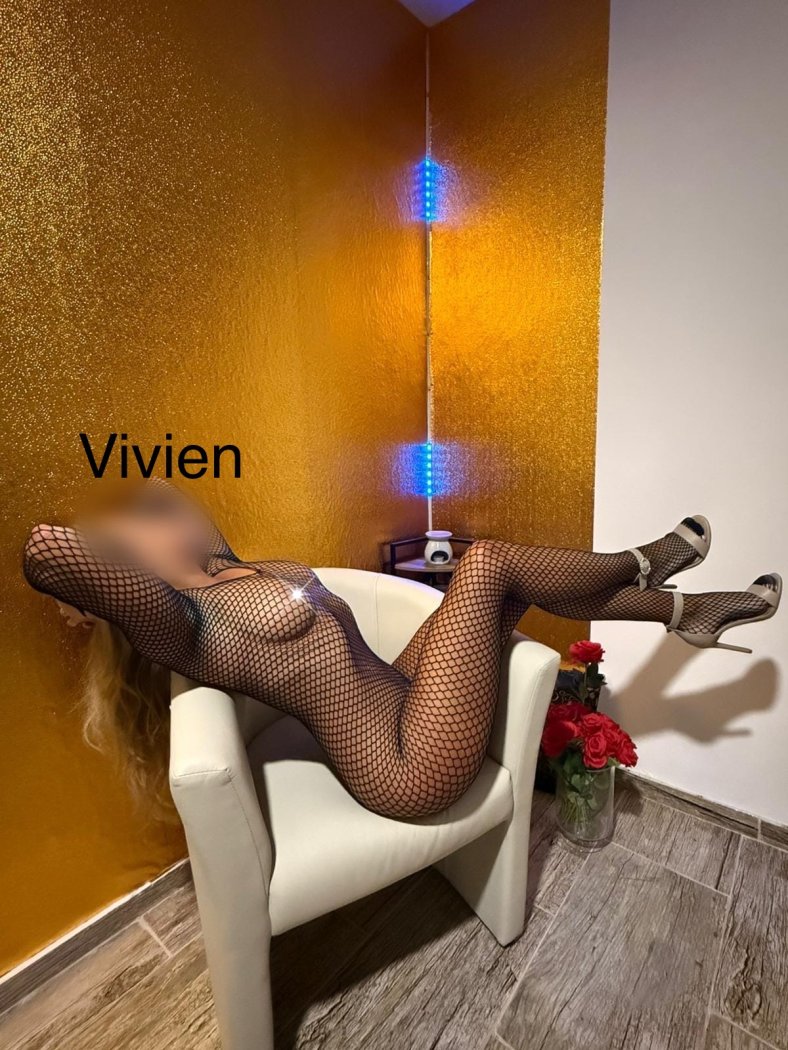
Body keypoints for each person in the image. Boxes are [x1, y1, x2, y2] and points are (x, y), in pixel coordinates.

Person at [23, 480, 781, 819]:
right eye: (133, 533)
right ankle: (645, 570)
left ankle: (686, 612)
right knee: (488, 563)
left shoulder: (228, 565)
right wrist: (88, 582)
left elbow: (169, 488)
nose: (156, 520)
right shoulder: (184, 629)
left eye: (150, 515)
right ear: (121, 580)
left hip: (402, 688)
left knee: (508, 582)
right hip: (403, 767)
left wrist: (144, 505)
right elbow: (47, 551)